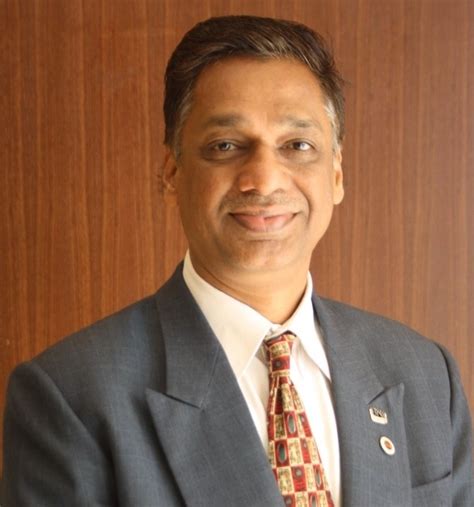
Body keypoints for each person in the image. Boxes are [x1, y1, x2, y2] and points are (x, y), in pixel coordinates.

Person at [2, 15, 472, 507]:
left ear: (336, 173)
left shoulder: (424, 374)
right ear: (172, 172)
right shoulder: (73, 396)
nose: (264, 179)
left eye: (298, 146)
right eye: (225, 146)